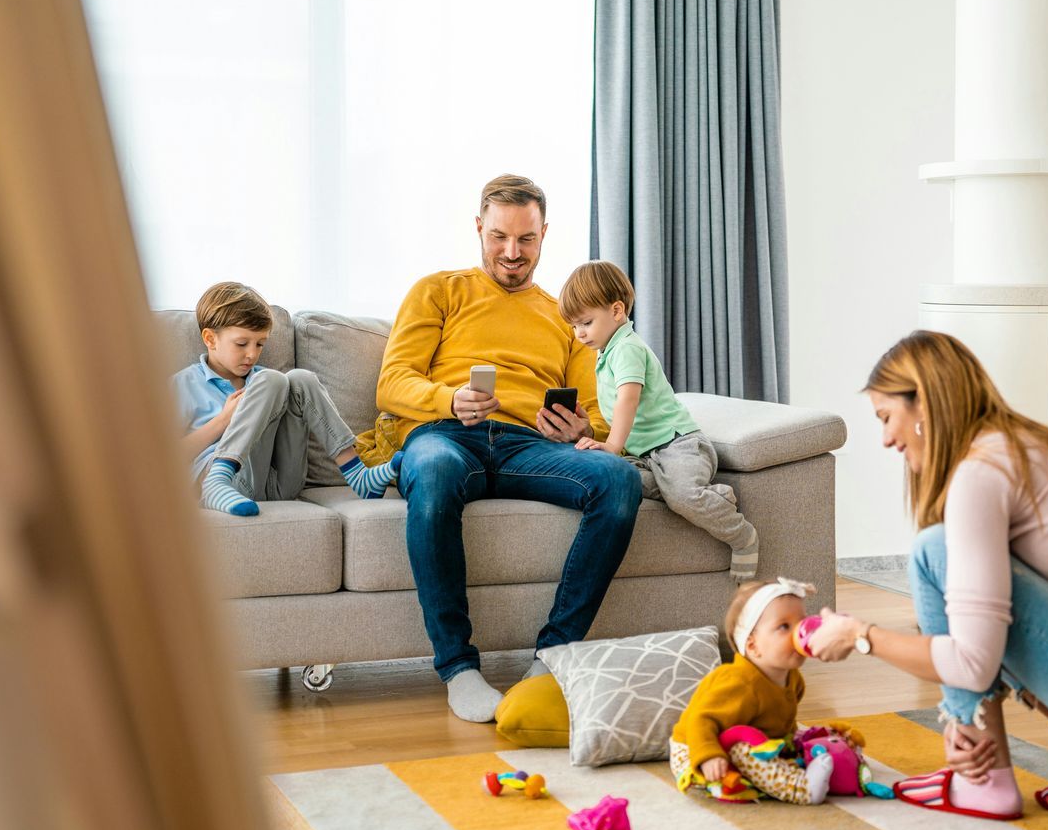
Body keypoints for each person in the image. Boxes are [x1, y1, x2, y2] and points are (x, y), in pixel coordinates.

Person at [806, 331, 1048, 818]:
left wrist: (858, 634)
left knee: (935, 551)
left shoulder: (981, 472)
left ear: (925, 408)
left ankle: (984, 781)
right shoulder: (1024, 447)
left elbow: (974, 662)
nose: (886, 438)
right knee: (972, 583)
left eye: (886, 417)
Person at [358, 176, 643, 722]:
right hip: (444, 435)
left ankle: (552, 656)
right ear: (478, 228)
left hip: (527, 446)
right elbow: (392, 383)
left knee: (619, 479)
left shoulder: (565, 316)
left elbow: (599, 412)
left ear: (544, 235)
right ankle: (458, 668)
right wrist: (450, 398)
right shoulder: (438, 290)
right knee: (436, 471)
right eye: (499, 237)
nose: (512, 253)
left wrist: (579, 427)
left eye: (526, 240)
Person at [558, 260, 760, 579]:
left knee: (680, 496)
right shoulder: (607, 351)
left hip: (678, 446)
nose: (579, 334)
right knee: (620, 482)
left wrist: (612, 446)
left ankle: (741, 536)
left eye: (585, 322)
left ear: (616, 310)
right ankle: (712, 497)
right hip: (650, 457)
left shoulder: (626, 348)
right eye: (574, 327)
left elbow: (628, 398)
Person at [173, 281, 396, 517]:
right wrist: (223, 421)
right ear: (210, 339)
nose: (252, 354)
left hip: (279, 485)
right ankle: (218, 478)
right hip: (225, 483)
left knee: (299, 378)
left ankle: (357, 473)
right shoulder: (184, 385)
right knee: (273, 379)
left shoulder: (264, 381)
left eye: (260, 344)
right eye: (241, 343)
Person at [669, 578, 834, 805]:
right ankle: (802, 788)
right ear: (753, 645)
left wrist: (789, 747)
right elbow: (701, 720)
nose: (798, 634)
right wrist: (709, 756)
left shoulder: (793, 678)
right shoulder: (739, 683)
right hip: (695, 749)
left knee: (809, 738)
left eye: (802, 623)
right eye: (784, 627)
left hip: (748, 737)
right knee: (743, 750)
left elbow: (783, 719)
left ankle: (796, 766)